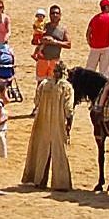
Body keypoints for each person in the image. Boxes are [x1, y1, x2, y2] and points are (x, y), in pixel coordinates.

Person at [21, 63, 75, 191]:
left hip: (43, 120)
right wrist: (69, 125)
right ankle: (61, 183)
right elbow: (69, 109)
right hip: (58, 121)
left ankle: (39, 180)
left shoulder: (44, 84)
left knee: (42, 149)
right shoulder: (66, 87)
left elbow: (36, 101)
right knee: (60, 150)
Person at [37, 5, 71, 86]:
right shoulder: (44, 27)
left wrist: (54, 42)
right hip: (42, 60)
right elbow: (34, 41)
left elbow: (69, 44)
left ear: (60, 15)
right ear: (49, 15)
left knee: (54, 84)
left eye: (57, 13)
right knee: (40, 84)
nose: (55, 15)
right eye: (53, 13)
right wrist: (42, 40)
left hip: (54, 61)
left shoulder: (63, 29)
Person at [85, 0, 109, 74]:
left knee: (90, 68)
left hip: (94, 47)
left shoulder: (94, 18)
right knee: (105, 70)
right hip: (106, 47)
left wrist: (90, 43)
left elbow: (88, 33)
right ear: (106, 7)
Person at [30, 8, 52, 82]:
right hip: (38, 36)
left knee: (40, 46)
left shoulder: (44, 23)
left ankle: (35, 54)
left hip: (40, 36)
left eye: (41, 16)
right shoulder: (36, 23)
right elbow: (36, 29)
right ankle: (36, 53)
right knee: (40, 46)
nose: (40, 17)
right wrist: (42, 32)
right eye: (39, 16)